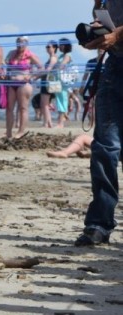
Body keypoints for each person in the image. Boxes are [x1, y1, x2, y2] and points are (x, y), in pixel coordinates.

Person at [75, 0, 123, 247]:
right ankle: (99, 224)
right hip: (114, 65)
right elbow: (99, 11)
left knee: (107, 147)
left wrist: (116, 35)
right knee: (105, 148)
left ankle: (99, 224)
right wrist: (98, 31)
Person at [4, 36, 42, 139]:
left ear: (26, 43)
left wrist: (30, 76)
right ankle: (8, 132)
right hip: (11, 83)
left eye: (22, 42)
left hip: (24, 84)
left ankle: (21, 132)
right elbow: (4, 66)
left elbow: (42, 68)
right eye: (18, 42)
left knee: (23, 108)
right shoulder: (11, 53)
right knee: (9, 108)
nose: (20, 44)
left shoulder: (30, 55)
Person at [55, 38, 75, 128]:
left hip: (64, 81)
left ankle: (60, 123)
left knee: (62, 100)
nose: (59, 46)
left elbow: (62, 65)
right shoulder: (60, 56)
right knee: (60, 100)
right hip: (59, 80)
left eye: (61, 44)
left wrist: (56, 68)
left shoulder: (67, 55)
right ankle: (61, 120)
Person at [39, 40, 59, 128]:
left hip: (49, 82)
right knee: (46, 104)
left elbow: (48, 70)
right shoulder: (51, 58)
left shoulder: (53, 58)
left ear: (54, 48)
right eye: (46, 47)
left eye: (49, 47)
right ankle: (47, 122)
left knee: (45, 104)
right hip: (49, 82)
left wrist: (35, 76)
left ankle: (49, 123)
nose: (47, 48)